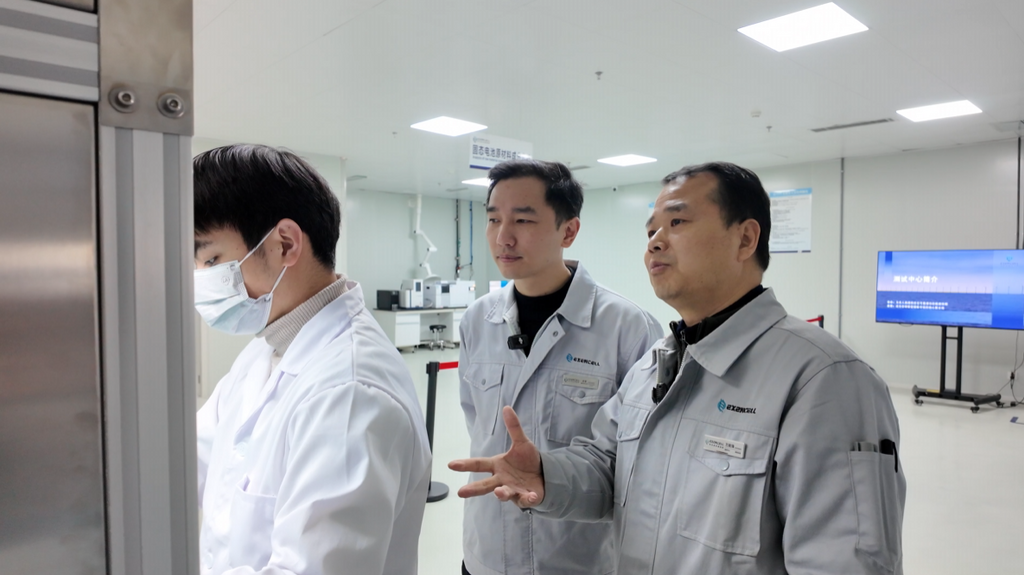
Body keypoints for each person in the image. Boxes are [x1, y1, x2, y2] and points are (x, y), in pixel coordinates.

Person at [451, 162, 907, 574]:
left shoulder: (823, 379)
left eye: (678, 222)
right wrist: (547, 475)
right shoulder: (656, 367)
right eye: (651, 229)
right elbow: (607, 467)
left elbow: (844, 560)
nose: (655, 241)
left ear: (745, 239)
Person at [193, 144, 431, 575]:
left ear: (285, 243)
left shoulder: (351, 393)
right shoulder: (265, 350)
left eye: (211, 259)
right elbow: (188, 460)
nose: (201, 280)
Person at [458, 158, 663, 575]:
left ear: (568, 231)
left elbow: (640, 464)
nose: (503, 237)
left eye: (523, 220)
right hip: (486, 556)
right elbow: (476, 422)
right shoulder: (478, 320)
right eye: (494, 219)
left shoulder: (627, 328)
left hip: (576, 561)